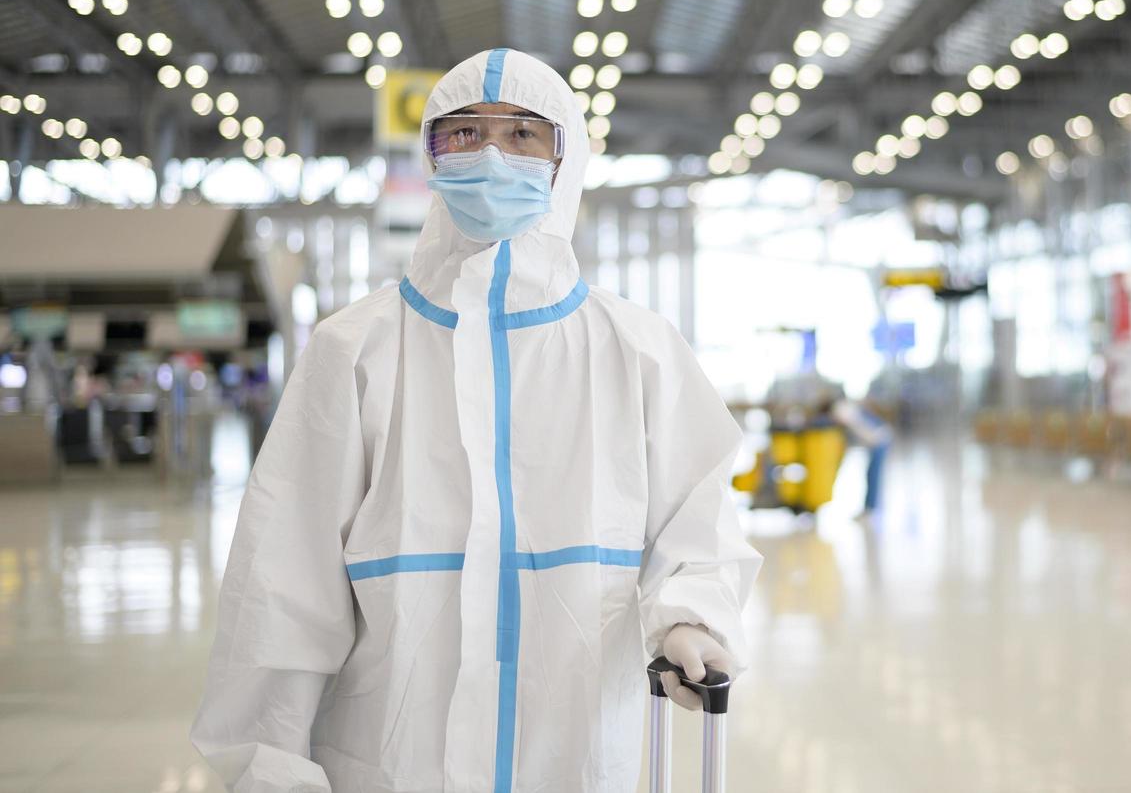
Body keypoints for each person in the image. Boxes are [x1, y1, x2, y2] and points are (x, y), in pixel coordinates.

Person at [192, 49, 761, 792]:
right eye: (463, 134)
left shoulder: (637, 350)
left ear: (567, 159)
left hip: (578, 751)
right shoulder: (356, 350)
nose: (492, 154)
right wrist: (270, 770)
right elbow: (282, 582)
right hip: (391, 758)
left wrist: (688, 618)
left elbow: (700, 520)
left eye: (524, 135)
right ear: (429, 155)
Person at [820, 392, 893, 516]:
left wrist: (870, 439)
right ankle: (869, 507)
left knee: (872, 474)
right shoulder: (845, 407)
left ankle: (869, 509)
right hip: (877, 438)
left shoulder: (840, 410)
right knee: (871, 473)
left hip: (878, 439)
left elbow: (857, 427)